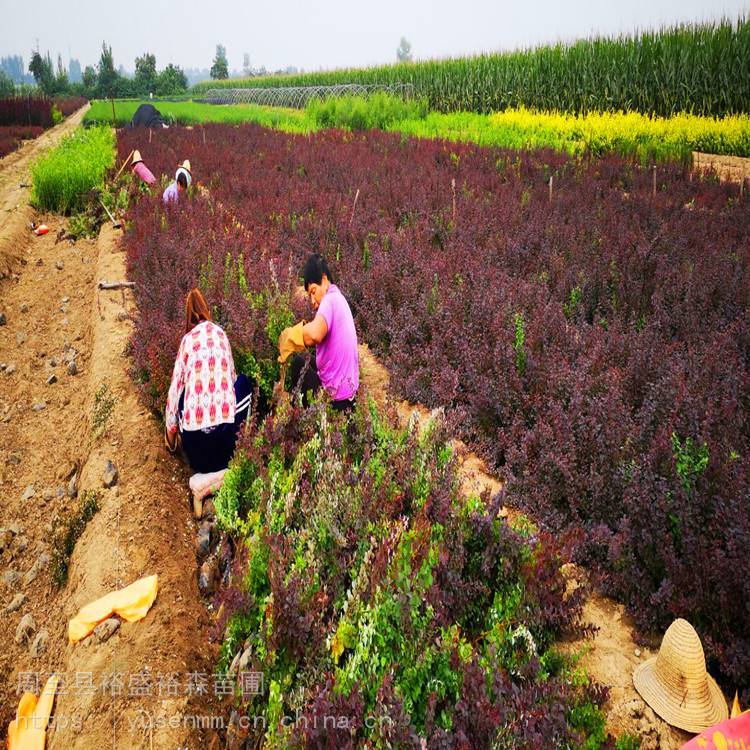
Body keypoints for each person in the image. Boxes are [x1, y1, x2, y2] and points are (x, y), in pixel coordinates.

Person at [164, 288, 251, 473]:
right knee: (244, 383)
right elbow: (232, 380)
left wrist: (170, 439)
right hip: (226, 448)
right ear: (207, 311)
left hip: (196, 454)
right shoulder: (221, 334)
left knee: (181, 394)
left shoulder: (187, 341)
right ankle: (242, 452)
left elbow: (173, 393)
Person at [277, 253, 359, 412]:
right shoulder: (339, 299)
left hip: (336, 402)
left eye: (313, 292)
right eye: (309, 296)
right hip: (349, 399)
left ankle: (299, 420)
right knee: (303, 360)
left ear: (324, 280)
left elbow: (315, 334)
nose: (312, 302)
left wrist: (293, 335)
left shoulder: (329, 300)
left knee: (297, 365)